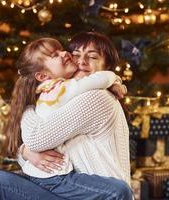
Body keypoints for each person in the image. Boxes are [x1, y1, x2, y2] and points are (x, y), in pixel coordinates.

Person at [19, 32, 132, 194]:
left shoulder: (95, 97)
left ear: (106, 67)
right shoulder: (65, 95)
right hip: (83, 191)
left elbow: (37, 139)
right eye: (76, 55)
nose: (81, 62)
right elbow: (47, 146)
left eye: (92, 57)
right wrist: (24, 152)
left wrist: (28, 109)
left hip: (103, 194)